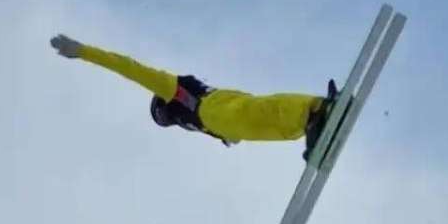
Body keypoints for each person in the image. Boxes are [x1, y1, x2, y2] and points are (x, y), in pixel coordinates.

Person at [50, 34, 339, 159]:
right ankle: (310, 125)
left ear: (163, 106)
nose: (169, 121)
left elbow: (130, 68)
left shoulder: (170, 90)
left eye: (163, 117)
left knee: (265, 111)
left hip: (217, 110)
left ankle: (313, 113)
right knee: (265, 124)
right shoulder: (190, 120)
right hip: (222, 117)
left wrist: (83, 52)